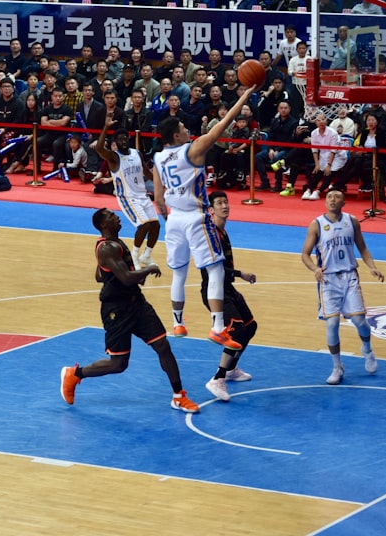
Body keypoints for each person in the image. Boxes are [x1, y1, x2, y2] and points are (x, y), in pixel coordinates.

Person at [59, 208, 199, 414]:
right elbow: (124, 278)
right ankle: (75, 374)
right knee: (118, 364)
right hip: (117, 310)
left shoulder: (116, 243)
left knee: (162, 345)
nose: (116, 216)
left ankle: (179, 395)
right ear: (104, 225)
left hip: (137, 304)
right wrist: (148, 269)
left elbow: (101, 275)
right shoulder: (107, 248)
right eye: (111, 216)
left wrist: (129, 274)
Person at [153, 87, 254, 349]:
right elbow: (223, 124)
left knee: (179, 273)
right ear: (176, 135)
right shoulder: (192, 149)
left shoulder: (158, 158)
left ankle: (177, 323)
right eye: (184, 127)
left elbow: (159, 199)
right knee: (215, 270)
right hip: (196, 217)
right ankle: (218, 326)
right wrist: (244, 97)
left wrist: (168, 221)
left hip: (174, 220)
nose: (188, 129)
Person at [300, 188, 384, 385]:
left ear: (343, 202)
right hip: (328, 280)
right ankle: (337, 367)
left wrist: (372, 267)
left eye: (336, 197)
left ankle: (367, 350)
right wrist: (315, 268)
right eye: (329, 197)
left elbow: (362, 247)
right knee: (332, 323)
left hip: (349, 276)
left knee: (360, 322)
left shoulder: (352, 221)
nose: (332, 199)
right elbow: (305, 254)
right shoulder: (316, 224)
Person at [200, 191, 259, 403]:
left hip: (228, 289)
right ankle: (217, 378)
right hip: (215, 292)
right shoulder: (211, 234)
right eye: (219, 203)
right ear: (211, 209)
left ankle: (231, 370)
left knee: (250, 327)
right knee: (237, 333)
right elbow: (214, 267)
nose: (225, 206)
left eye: (226, 202)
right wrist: (240, 274)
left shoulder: (222, 231)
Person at [93, 115, 161, 274]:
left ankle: (147, 255)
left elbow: (145, 171)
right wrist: (106, 127)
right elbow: (99, 149)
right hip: (127, 198)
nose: (123, 141)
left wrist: (159, 183)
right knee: (143, 225)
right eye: (120, 139)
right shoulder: (114, 157)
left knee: (155, 225)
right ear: (115, 142)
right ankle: (135, 256)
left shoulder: (136, 153)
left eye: (125, 138)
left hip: (142, 195)